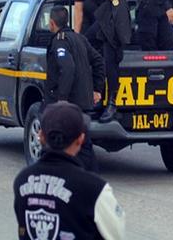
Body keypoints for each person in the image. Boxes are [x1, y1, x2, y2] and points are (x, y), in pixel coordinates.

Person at [14, 102, 125, 240]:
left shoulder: (22, 180)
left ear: (41, 136)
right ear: (81, 139)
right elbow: (116, 234)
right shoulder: (95, 189)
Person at [68, 0, 133, 123]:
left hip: (114, 15)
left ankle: (112, 102)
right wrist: (76, 34)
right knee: (89, 50)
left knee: (109, 59)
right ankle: (96, 97)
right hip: (101, 17)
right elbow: (79, 9)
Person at [45, 6, 105, 172]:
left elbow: (68, 68)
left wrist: (62, 99)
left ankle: (71, 175)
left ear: (51, 23)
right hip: (84, 103)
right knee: (83, 143)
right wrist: (97, 89)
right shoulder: (80, 39)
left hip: (70, 105)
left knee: (63, 144)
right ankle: (89, 174)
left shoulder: (60, 41)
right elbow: (99, 61)